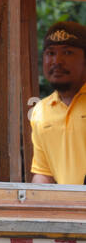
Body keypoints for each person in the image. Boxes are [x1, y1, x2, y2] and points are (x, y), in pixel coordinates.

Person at [29, 20, 86, 184]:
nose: (57, 61)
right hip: (67, 209)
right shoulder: (40, 111)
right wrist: (35, 204)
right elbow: (44, 174)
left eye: (67, 53)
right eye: (50, 53)